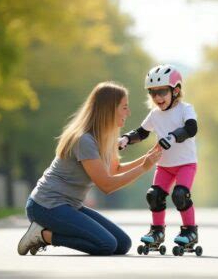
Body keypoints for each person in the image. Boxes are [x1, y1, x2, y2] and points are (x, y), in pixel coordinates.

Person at [17, 81, 162, 256]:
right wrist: (144, 168)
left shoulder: (105, 138)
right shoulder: (84, 140)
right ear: (109, 109)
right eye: (124, 107)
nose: (128, 113)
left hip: (70, 205)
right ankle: (43, 235)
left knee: (122, 244)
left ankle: (45, 233)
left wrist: (147, 160)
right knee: (106, 245)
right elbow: (106, 185)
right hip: (45, 206)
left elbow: (114, 169)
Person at [118, 64, 199, 249]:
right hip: (164, 165)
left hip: (186, 164)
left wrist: (173, 136)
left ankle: (190, 231)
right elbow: (142, 132)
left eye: (162, 92)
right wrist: (126, 139)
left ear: (176, 90)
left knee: (181, 195)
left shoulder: (185, 109)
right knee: (154, 196)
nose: (157, 97)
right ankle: (157, 231)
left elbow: (191, 128)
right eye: (153, 93)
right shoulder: (154, 114)